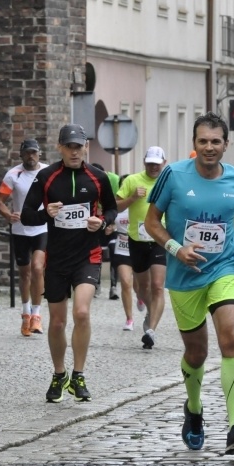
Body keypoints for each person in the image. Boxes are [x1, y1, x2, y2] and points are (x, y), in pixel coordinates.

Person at [144, 112, 234, 455]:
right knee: (196, 353)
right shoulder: (174, 175)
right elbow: (151, 221)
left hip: (224, 268)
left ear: (226, 145)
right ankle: (195, 410)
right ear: (194, 145)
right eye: (203, 141)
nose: (209, 147)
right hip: (184, 276)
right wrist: (175, 248)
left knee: (231, 336)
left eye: (216, 141)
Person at [20, 124, 118, 403]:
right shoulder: (47, 177)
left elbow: (111, 208)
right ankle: (59, 373)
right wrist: (45, 214)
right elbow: (26, 215)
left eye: (79, 146)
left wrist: (103, 221)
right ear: (60, 148)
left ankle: (79, 374)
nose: (75, 151)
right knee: (57, 323)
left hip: (88, 255)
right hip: (57, 258)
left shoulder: (98, 177)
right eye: (70, 146)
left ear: (86, 146)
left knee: (82, 313)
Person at [116, 146, 168, 350]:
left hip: (160, 239)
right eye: (150, 163)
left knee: (157, 286)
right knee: (143, 287)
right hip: (136, 239)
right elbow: (116, 205)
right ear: (144, 163)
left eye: (157, 164)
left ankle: (151, 330)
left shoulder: (168, 182)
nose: (153, 167)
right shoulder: (132, 180)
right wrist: (132, 199)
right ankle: (149, 310)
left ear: (164, 163)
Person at [0, 139, 49, 337]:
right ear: (21, 155)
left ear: (39, 154)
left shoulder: (47, 172)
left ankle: (37, 314)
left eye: (34, 152)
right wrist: (8, 215)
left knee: (37, 268)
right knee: (25, 272)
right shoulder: (13, 175)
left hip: (42, 227)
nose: (31, 156)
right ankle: (25, 313)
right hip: (19, 230)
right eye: (27, 153)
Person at [107, 181, 136, 330]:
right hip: (123, 246)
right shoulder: (117, 207)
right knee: (125, 281)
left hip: (139, 246)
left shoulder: (141, 204)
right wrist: (110, 227)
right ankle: (129, 319)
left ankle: (142, 298)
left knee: (140, 285)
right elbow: (110, 222)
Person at [91, 163, 122, 300]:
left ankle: (113, 287)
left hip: (111, 221)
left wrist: (112, 223)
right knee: (98, 254)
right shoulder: (88, 181)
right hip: (97, 223)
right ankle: (96, 285)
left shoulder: (114, 180)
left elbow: (116, 205)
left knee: (114, 252)